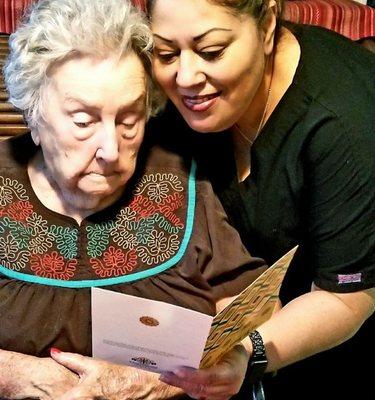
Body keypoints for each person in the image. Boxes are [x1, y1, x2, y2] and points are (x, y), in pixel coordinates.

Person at [0, 0, 267, 399]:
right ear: (35, 116)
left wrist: (230, 357)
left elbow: (250, 306)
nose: (110, 148)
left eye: (129, 120)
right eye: (83, 121)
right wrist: (24, 376)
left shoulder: (176, 180)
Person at [146, 0, 375, 399]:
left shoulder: (344, 125)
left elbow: (346, 300)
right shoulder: (179, 102)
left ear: (267, 25)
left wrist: (247, 351)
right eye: (165, 53)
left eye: (212, 51)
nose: (185, 76)